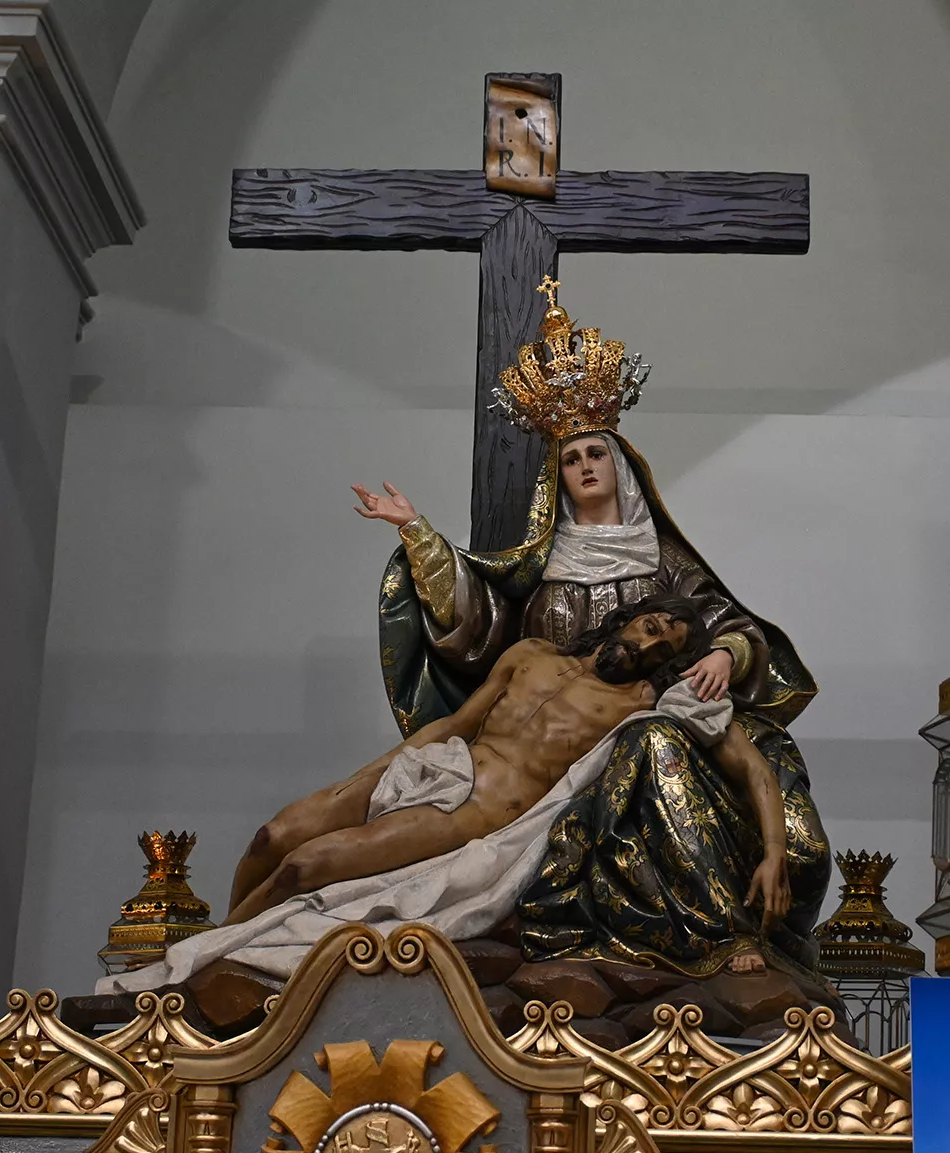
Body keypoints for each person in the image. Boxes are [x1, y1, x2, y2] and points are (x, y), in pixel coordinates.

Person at [355, 277, 829, 982]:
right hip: (563, 743)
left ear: (620, 462)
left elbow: (732, 625)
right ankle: (712, 935)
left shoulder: (662, 559)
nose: (583, 465)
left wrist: (727, 654)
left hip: (659, 715)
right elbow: (484, 629)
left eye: (594, 453)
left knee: (802, 847)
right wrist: (419, 536)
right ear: (560, 473)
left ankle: (726, 925)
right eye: (571, 458)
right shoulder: (545, 563)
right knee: (647, 748)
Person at [224, 598, 792, 939]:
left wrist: (774, 854)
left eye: (664, 648)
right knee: (272, 837)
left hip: (482, 810)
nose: (648, 646)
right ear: (630, 618)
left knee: (305, 867)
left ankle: (205, 960)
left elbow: (753, 770)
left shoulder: (649, 702)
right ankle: (209, 949)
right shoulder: (531, 654)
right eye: (650, 627)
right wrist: (367, 775)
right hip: (442, 765)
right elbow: (455, 724)